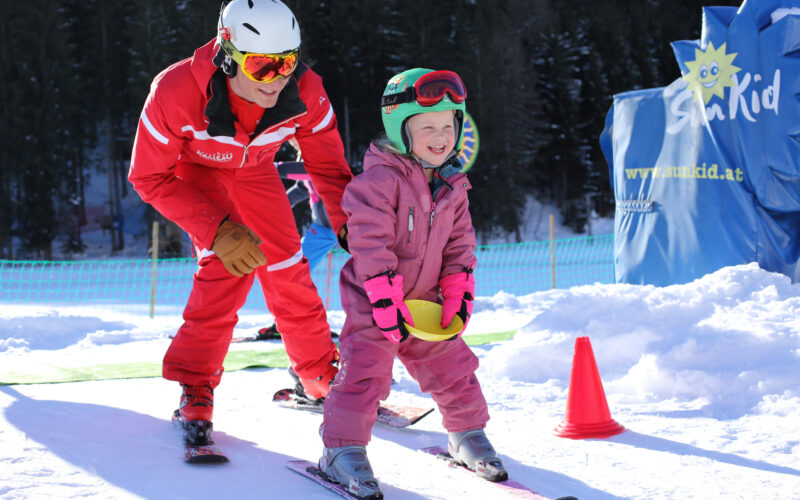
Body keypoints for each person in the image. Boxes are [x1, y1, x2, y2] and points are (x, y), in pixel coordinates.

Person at [128, 0, 351, 436]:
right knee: (227, 266)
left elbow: (329, 167)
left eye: (288, 62)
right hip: (197, 171)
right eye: (263, 66)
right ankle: (195, 386)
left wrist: (351, 225)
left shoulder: (305, 90)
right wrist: (216, 228)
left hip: (255, 171)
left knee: (287, 265)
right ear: (228, 54)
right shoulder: (176, 91)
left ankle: (318, 374)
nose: (278, 78)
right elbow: (148, 176)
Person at [317, 68, 507, 498]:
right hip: (374, 298)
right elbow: (369, 242)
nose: (440, 135)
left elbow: (460, 245)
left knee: (454, 367)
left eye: (448, 124)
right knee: (365, 373)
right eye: (427, 127)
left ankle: (467, 434)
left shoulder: (453, 185)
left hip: (424, 299)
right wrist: (384, 296)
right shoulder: (377, 183)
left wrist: (458, 292)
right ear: (400, 130)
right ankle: (341, 448)